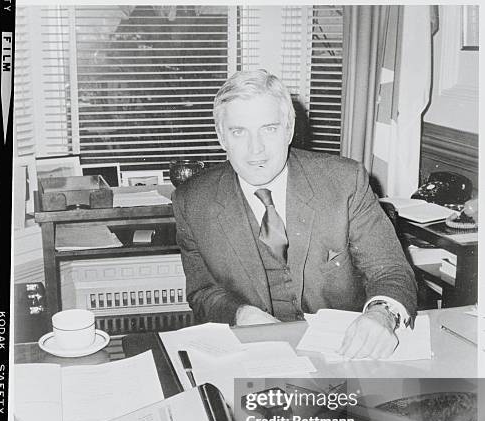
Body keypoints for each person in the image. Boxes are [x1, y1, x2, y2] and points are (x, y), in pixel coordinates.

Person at [172, 70, 417, 359]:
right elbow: (202, 291)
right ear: (221, 137)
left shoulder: (344, 181)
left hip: (347, 351)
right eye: (239, 131)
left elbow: (390, 270)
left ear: (289, 130)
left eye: (269, 128)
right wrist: (241, 314)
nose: (256, 149)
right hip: (256, 353)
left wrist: (381, 315)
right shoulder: (192, 200)